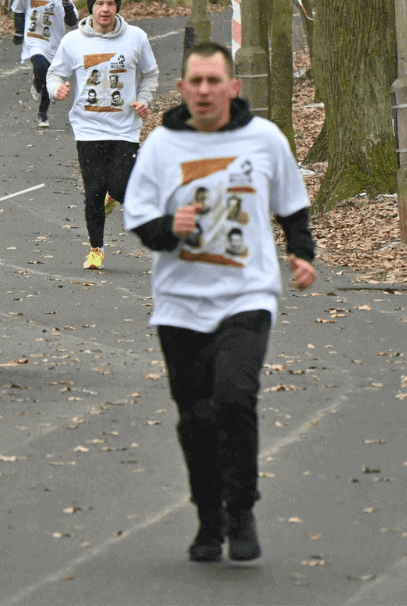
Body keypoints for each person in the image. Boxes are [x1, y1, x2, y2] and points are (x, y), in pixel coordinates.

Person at [122, 42, 316, 564]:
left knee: (234, 399)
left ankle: (242, 511)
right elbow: (140, 220)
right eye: (196, 82)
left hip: (246, 295)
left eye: (215, 81)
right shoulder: (162, 146)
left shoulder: (265, 139)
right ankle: (209, 515)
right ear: (182, 89)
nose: (205, 91)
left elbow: (292, 206)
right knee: (196, 415)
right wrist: (170, 228)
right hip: (179, 303)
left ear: (233, 87)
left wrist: (301, 254)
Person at [47, 0, 158, 270]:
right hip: (88, 128)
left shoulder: (136, 37)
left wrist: (145, 99)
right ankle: (96, 248)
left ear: (117, 7)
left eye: (110, 3)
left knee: (121, 189)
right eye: (99, 3)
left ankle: (115, 195)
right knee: (93, 191)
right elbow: (54, 74)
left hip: (125, 127)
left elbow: (150, 73)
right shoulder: (73, 41)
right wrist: (55, 89)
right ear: (91, 7)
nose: (105, 9)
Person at [12, 0, 77, 128]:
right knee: (40, 66)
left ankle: (43, 114)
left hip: (54, 43)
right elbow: (18, 10)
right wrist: (18, 32)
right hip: (34, 39)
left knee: (49, 77)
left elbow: (72, 22)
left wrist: (67, 5)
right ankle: (36, 82)